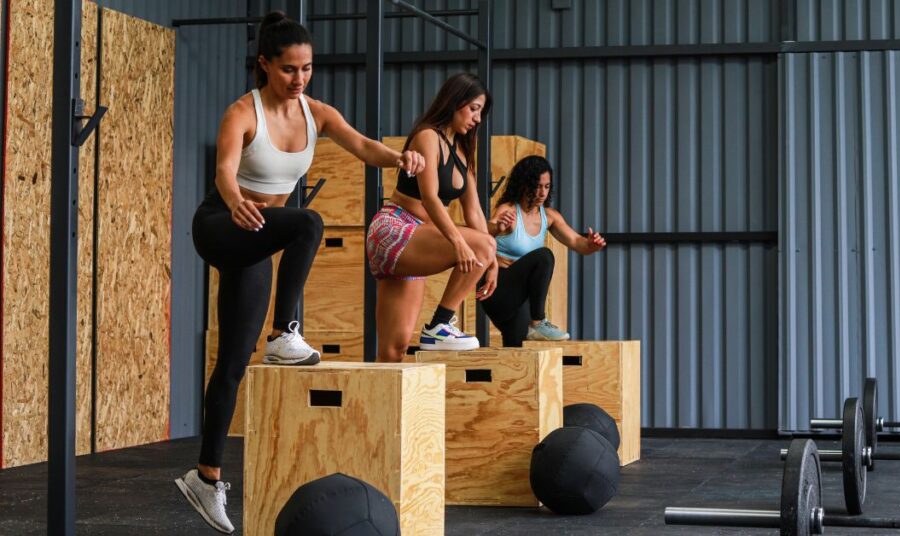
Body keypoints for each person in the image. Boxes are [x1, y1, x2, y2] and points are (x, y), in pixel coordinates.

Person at [174, 12, 425, 534]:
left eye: (307, 68)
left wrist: (401, 158)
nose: (300, 78)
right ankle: (286, 332)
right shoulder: (243, 113)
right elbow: (224, 170)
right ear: (264, 65)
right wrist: (234, 200)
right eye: (289, 69)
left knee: (232, 364)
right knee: (308, 222)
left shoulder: (318, 114)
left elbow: (364, 147)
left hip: (258, 238)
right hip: (222, 222)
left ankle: (205, 475)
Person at [366, 72, 498, 363]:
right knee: (482, 245)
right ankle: (440, 323)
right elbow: (430, 197)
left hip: (417, 238)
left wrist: (493, 261)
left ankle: (383, 407)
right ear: (455, 101)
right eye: (474, 108)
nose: (477, 118)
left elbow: (474, 211)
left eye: (481, 112)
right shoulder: (427, 136)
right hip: (394, 229)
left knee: (394, 349)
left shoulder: (463, 153)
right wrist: (462, 243)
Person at [482, 155, 606, 346]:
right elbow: (483, 232)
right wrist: (497, 227)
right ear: (523, 185)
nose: (542, 193)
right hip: (497, 290)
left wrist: (592, 244)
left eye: (546, 186)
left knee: (518, 349)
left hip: (519, 298)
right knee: (544, 256)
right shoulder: (508, 210)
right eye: (537, 186)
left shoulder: (549, 216)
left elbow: (577, 242)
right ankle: (538, 322)